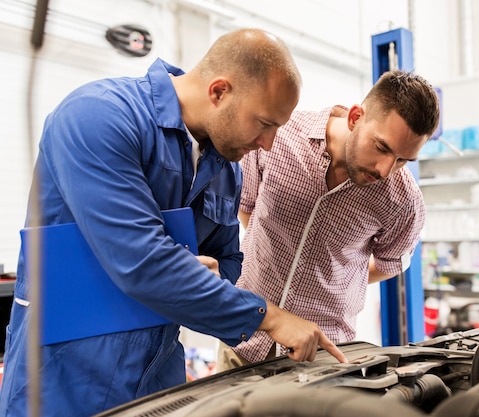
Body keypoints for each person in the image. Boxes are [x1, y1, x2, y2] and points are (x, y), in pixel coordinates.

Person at [0, 28, 347, 417]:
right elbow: (143, 262)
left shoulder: (226, 169)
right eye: (264, 123)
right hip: (66, 378)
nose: (267, 144)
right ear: (219, 92)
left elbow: (230, 259)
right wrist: (268, 315)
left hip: (157, 378)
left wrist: (211, 275)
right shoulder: (98, 116)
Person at [217, 70, 441, 370]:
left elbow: (388, 264)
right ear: (355, 118)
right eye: (382, 148)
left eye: (403, 160)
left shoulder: (403, 201)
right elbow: (246, 207)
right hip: (245, 334)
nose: (386, 170)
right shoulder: (280, 136)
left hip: (322, 356)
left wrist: (337, 276)